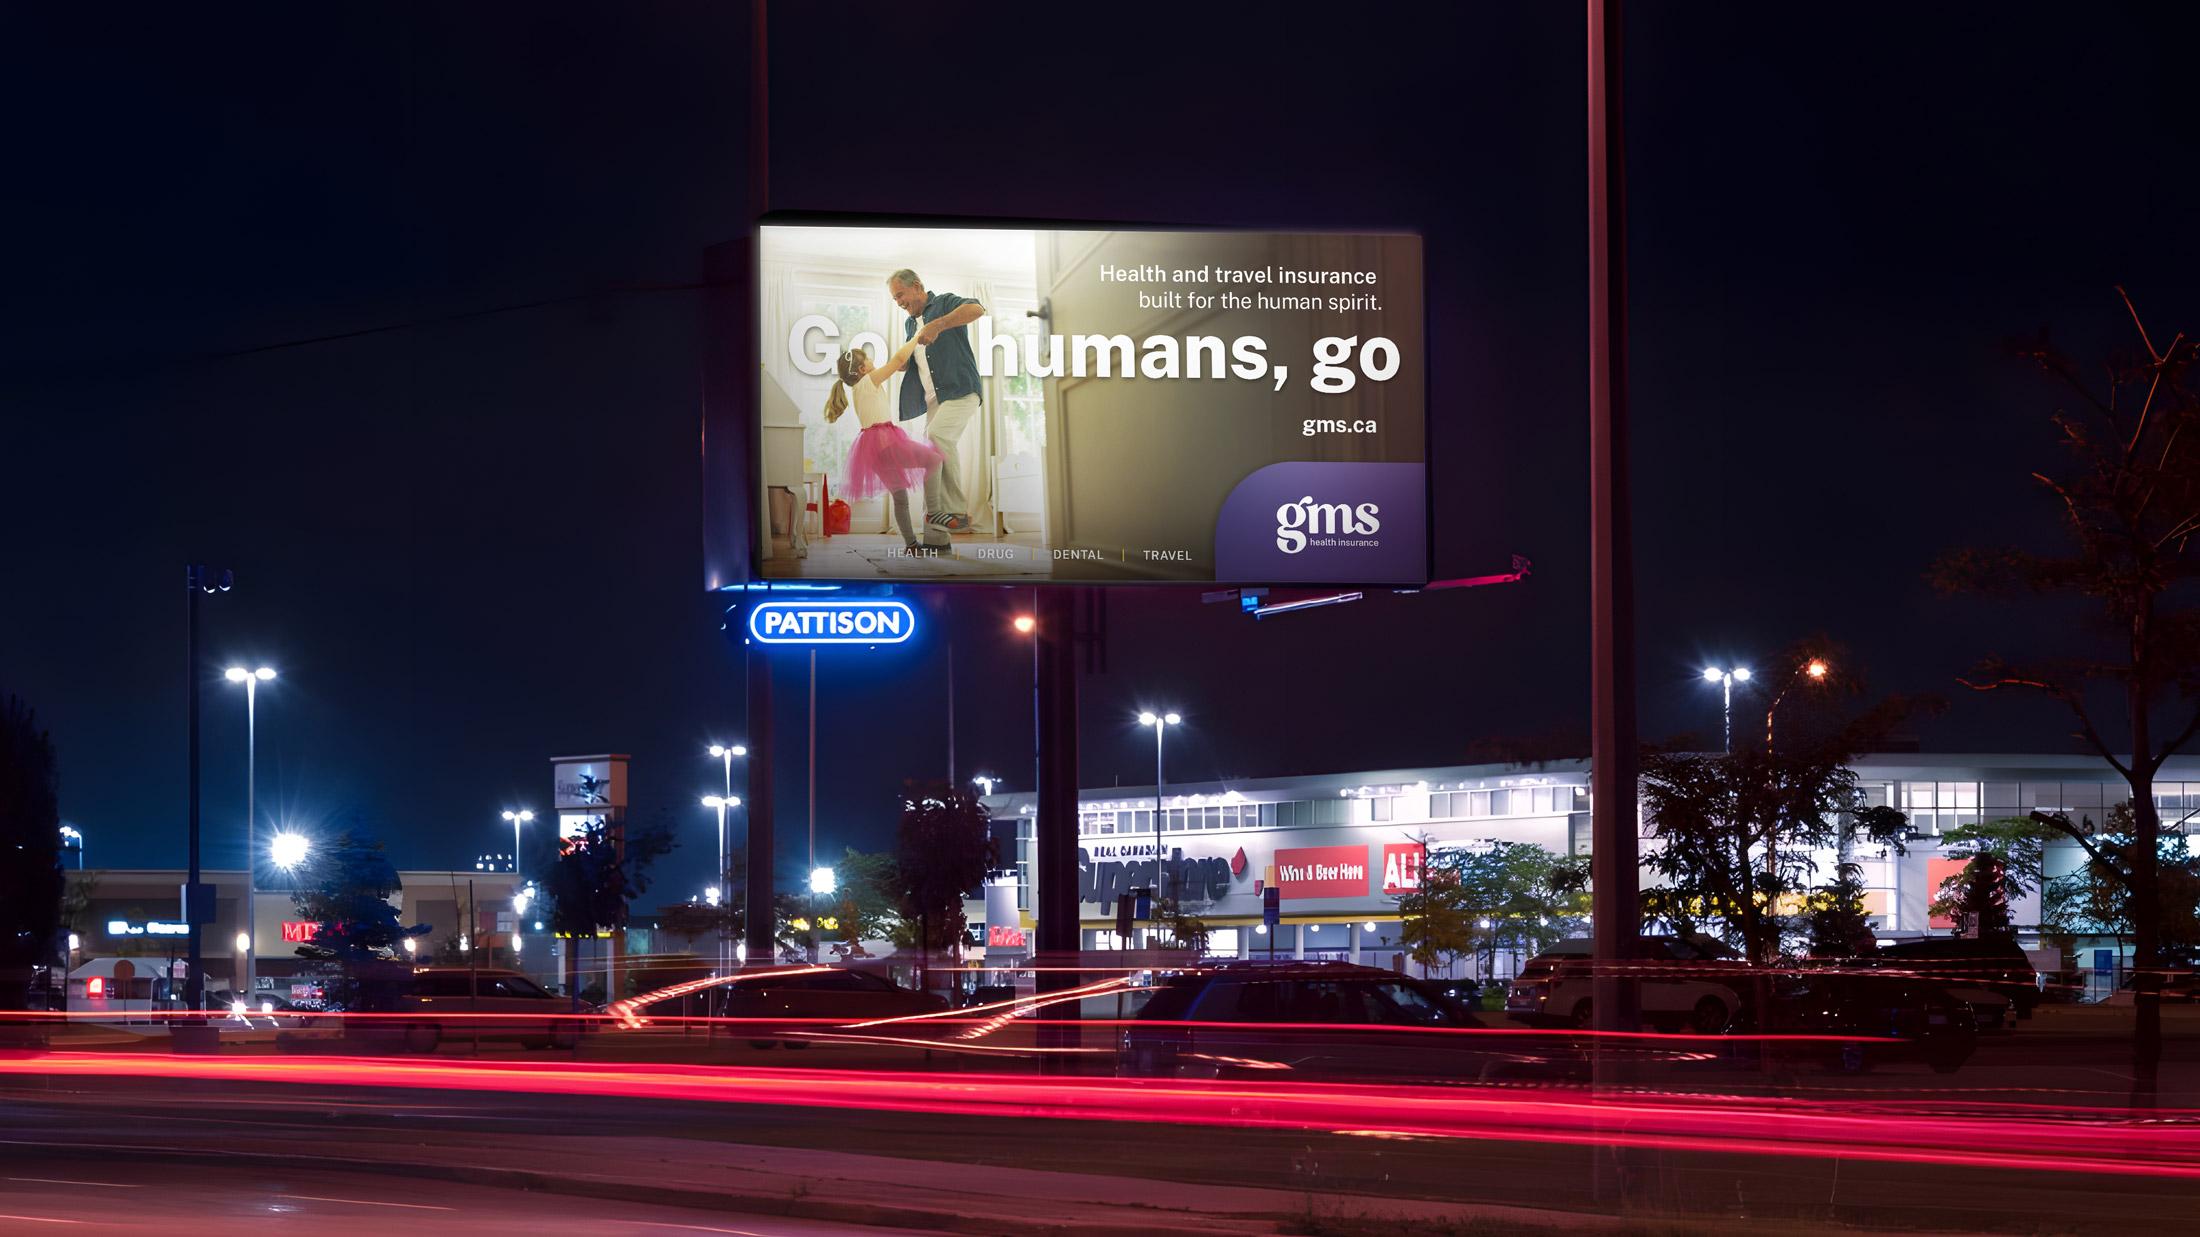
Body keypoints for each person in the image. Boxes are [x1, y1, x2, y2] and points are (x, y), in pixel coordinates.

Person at [823, 336, 951, 554]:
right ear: (863, 369)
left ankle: (911, 545)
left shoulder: (858, 388)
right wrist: (917, 340)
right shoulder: (869, 380)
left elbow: (899, 363)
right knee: (934, 459)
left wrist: (902, 364)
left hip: (873, 451)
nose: (873, 362)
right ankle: (934, 511)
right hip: (886, 443)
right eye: (870, 360)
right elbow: (899, 358)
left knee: (900, 498)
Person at [888, 268, 986, 536]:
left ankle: (953, 511)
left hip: (961, 390)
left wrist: (938, 324)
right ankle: (936, 536)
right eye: (894, 299)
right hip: (933, 400)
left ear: (917, 286)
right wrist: (904, 362)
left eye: (900, 295)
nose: (898, 302)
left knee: (938, 436)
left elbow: (977, 309)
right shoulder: (910, 324)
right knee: (931, 455)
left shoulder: (943, 302)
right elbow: (916, 357)